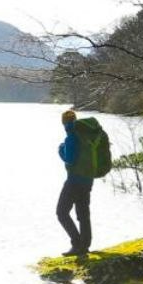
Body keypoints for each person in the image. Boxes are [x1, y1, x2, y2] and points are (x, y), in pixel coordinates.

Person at [55, 108, 93, 257]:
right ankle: (84, 246)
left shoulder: (71, 137)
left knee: (61, 212)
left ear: (64, 123)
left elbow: (69, 159)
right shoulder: (86, 135)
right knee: (83, 214)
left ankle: (76, 244)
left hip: (74, 181)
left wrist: (61, 150)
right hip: (87, 180)